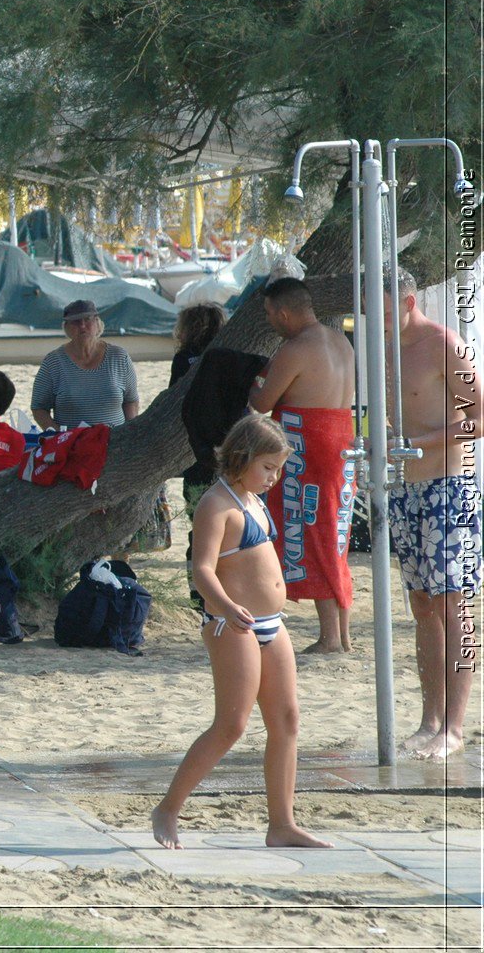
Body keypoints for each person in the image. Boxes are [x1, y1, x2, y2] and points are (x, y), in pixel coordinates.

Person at [152, 413, 331, 851]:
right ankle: (169, 807)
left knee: (287, 719)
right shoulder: (217, 504)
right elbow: (202, 570)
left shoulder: (253, 500)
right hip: (232, 623)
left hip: (270, 623)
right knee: (231, 724)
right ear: (242, 457)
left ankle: (281, 824)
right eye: (268, 468)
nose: (274, 478)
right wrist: (228, 607)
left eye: (278, 469)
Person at [388, 270, 481, 759]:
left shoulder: (443, 343)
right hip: (407, 489)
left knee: (453, 606)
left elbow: (480, 418)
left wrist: (415, 444)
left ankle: (455, 727)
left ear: (408, 300)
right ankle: (430, 719)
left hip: (450, 488)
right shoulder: (384, 347)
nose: (375, 318)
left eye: (383, 308)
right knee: (422, 604)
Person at [248, 276, 356, 654]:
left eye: (269, 314)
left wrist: (255, 380)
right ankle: (341, 633)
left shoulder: (295, 348)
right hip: (342, 438)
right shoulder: (340, 340)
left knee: (314, 534)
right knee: (335, 535)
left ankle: (330, 637)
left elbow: (262, 401)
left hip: (310, 443)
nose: (270, 321)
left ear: (283, 312)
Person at [173, 303, 228, 605]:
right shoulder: (230, 357)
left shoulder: (185, 360)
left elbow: (176, 399)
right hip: (229, 446)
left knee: (200, 527)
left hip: (197, 452)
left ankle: (199, 594)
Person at [31, 299, 140, 429]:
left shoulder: (119, 357)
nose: (82, 326)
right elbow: (39, 408)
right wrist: (58, 436)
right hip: (71, 445)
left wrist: (129, 431)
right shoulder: (53, 362)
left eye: (87, 319)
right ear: (66, 327)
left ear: (97, 323)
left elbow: (131, 400)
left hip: (115, 443)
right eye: (76, 322)